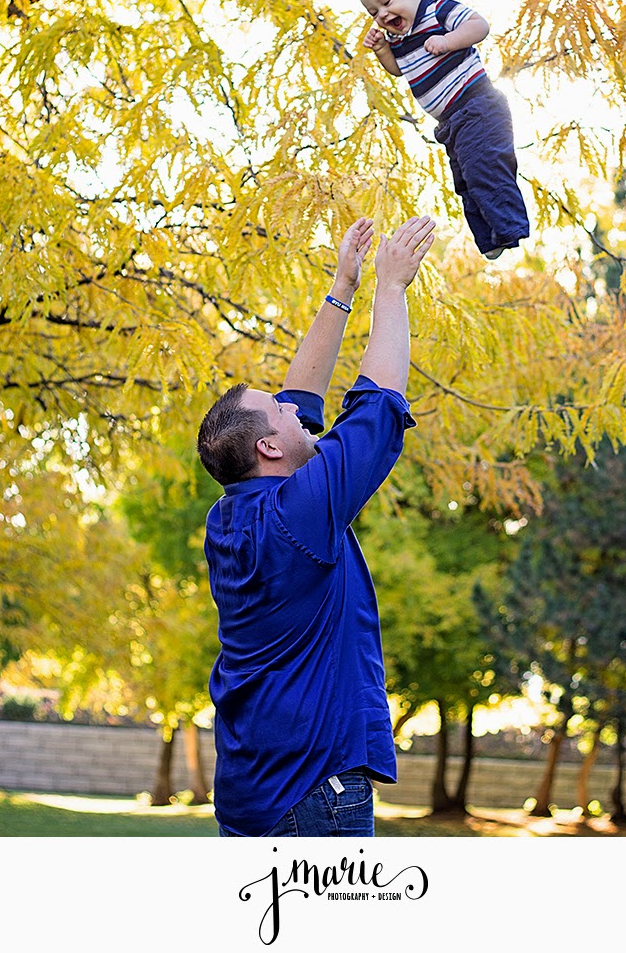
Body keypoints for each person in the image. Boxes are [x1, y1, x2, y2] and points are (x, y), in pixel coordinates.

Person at [196, 214, 435, 837]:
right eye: (277, 410)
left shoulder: (230, 519)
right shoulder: (296, 515)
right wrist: (391, 287)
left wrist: (342, 287)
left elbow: (300, 396)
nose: (291, 404)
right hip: (313, 793)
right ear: (269, 449)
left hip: (253, 791)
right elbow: (378, 405)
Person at [359, 0, 530, 260]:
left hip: (477, 107)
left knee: (484, 168)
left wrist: (449, 41)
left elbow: (479, 26)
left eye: (386, 2)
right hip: (451, 123)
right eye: (374, 12)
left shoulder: (438, 11)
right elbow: (397, 69)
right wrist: (383, 49)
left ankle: (508, 227)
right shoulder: (398, 38)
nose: (382, 15)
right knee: (465, 181)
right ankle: (489, 239)